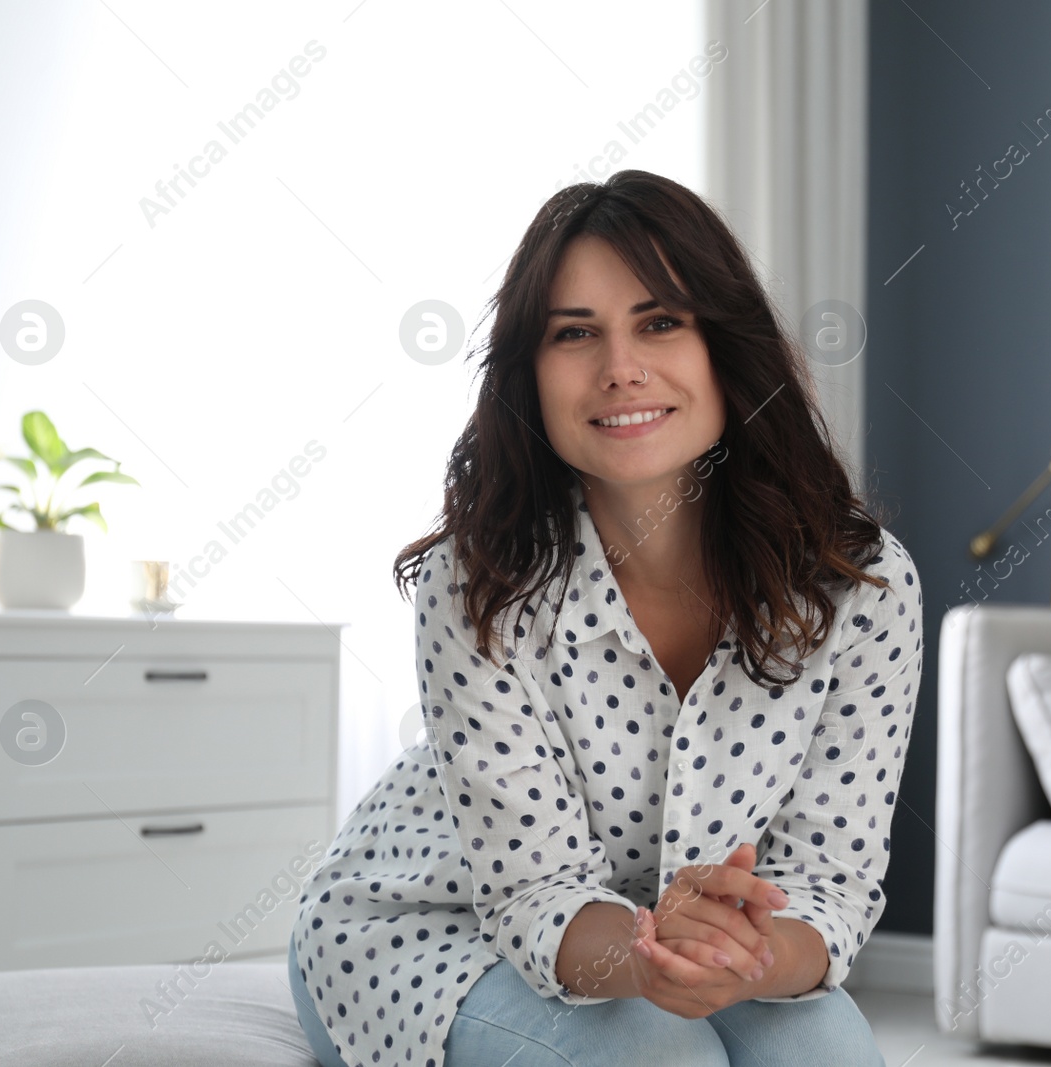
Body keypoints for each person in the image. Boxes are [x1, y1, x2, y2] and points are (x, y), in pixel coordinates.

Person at [288, 169, 921, 1067]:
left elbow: (831, 880)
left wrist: (737, 957)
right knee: (658, 1055)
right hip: (429, 929)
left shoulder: (859, 587)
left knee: (826, 1050)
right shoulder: (476, 583)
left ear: (723, 349)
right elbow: (531, 892)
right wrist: (657, 959)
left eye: (660, 321)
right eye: (574, 334)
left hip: (678, 943)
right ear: (531, 375)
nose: (620, 366)